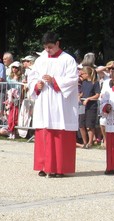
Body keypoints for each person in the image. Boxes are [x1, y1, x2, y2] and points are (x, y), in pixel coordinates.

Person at [28, 32, 79, 178]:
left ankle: (59, 168)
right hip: (44, 101)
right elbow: (31, 77)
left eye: (50, 47)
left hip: (61, 103)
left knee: (59, 133)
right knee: (44, 132)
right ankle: (44, 166)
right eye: (45, 47)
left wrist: (54, 81)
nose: (48, 50)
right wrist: (35, 85)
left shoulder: (68, 59)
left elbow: (73, 79)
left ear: (58, 43)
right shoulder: (40, 60)